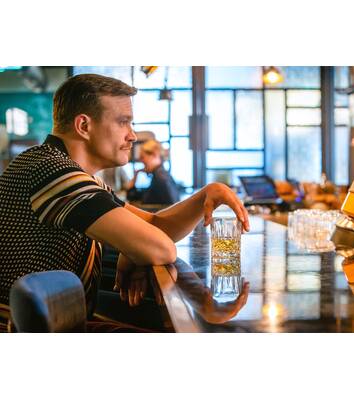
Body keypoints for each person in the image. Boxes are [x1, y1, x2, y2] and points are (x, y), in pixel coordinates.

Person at [0, 73, 249, 332]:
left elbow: (156, 225)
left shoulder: (68, 171)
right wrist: (133, 247)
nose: (132, 136)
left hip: (60, 318)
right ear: (83, 126)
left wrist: (208, 193)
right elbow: (162, 248)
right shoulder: (52, 171)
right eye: (123, 122)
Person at [127, 139, 180, 205]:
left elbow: (171, 205)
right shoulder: (160, 174)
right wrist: (136, 175)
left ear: (155, 155)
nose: (141, 161)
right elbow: (138, 196)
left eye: (142, 157)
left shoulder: (160, 178)